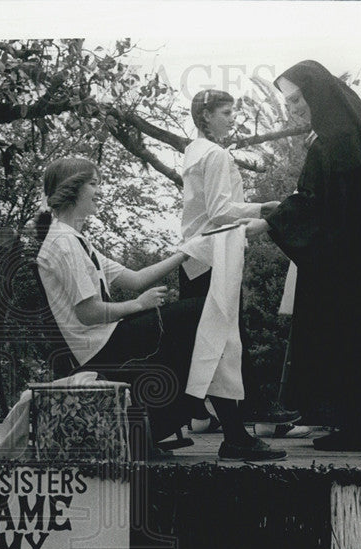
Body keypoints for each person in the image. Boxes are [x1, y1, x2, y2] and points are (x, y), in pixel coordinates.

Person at [35, 157, 285, 461]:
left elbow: (136, 279)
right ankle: (231, 434)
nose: (99, 191)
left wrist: (188, 250)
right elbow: (88, 313)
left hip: (107, 341)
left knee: (201, 317)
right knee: (202, 313)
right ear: (73, 188)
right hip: (98, 352)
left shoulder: (74, 239)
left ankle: (180, 427)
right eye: (94, 183)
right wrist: (138, 306)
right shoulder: (63, 243)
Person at [242, 61, 361, 451]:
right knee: (353, 339)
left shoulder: (337, 141)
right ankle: (355, 425)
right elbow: (329, 199)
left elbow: (320, 203)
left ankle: (358, 430)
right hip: (357, 259)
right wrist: (285, 208)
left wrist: (271, 223)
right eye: (288, 101)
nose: (293, 107)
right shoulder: (346, 136)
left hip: (348, 265)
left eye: (297, 98)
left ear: (316, 94)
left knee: (349, 337)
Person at [179, 89, 299, 428]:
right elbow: (219, 211)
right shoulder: (215, 154)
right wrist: (264, 207)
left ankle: (199, 414)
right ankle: (258, 414)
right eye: (227, 112)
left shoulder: (193, 152)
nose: (233, 118)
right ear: (205, 117)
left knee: (202, 337)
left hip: (193, 256)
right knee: (230, 336)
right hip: (214, 254)